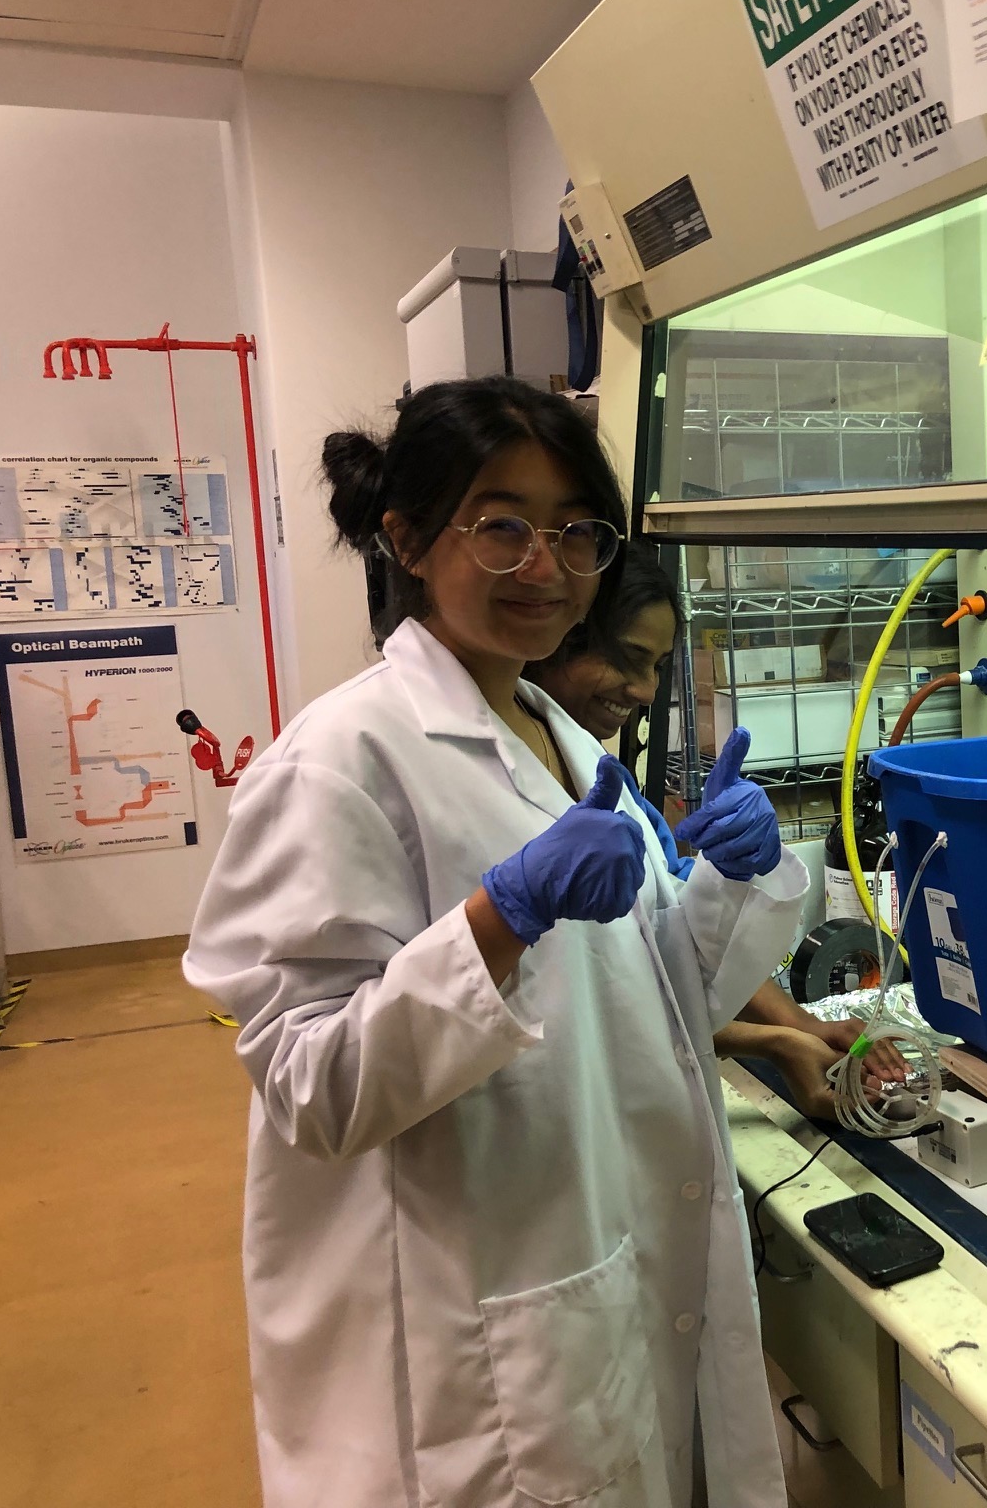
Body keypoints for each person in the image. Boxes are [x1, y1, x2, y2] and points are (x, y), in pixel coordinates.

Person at [183, 376, 805, 1508]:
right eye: (502, 523)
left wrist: (731, 881)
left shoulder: (557, 727)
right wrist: (496, 917)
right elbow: (310, 1088)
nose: (547, 564)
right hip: (461, 1334)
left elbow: (653, 1009)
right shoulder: (341, 762)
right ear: (408, 536)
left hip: (588, 1253)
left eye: (578, 531)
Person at [524, 554, 908, 1117]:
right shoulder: (499, 797)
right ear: (557, 636)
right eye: (629, 658)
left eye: (658, 666)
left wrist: (799, 1027)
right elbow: (583, 1010)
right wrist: (776, 1042)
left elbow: (678, 945)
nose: (645, 690)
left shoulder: (611, 785)